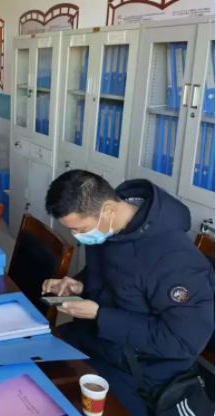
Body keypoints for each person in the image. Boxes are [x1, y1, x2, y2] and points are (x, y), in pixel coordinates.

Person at [43, 170, 215, 416]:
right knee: (34, 368)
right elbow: (107, 273)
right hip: (97, 341)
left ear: (109, 210)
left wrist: (100, 316)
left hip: (143, 370)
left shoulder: (176, 261)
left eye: (81, 229)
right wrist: (79, 285)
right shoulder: (110, 228)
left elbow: (181, 343)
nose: (78, 237)